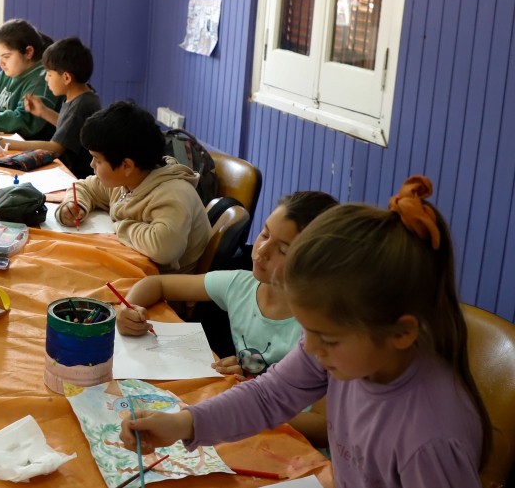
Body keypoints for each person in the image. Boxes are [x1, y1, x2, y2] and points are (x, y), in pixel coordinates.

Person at [120, 176, 491, 487]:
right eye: (306, 330)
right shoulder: (352, 354)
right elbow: (269, 396)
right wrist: (183, 423)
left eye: (326, 338)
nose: (309, 348)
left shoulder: (429, 441)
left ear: (401, 333)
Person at [117, 190, 339, 445]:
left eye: (284, 250)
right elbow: (156, 284)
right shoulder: (241, 285)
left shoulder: (321, 331)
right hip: (244, 421)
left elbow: (325, 427)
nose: (262, 251)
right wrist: (129, 308)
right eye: (264, 234)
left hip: (293, 445)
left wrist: (248, 398)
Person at [56, 101, 210, 272]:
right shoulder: (125, 181)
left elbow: (163, 248)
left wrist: (119, 224)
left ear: (127, 166)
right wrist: (74, 205)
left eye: (98, 160)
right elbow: (84, 187)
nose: (92, 164)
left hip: (167, 289)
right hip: (135, 267)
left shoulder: (173, 194)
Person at [0, 37, 101, 179]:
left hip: (76, 176)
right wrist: (43, 112)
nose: (46, 79)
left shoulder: (80, 105)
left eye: (49, 74)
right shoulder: (83, 96)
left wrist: (2, 141)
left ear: (67, 78)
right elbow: (71, 128)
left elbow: (55, 147)